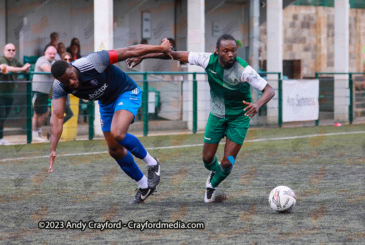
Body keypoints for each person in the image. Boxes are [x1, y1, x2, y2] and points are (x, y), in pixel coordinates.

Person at [127, 34, 275, 203]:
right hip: (217, 116)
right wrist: (141, 56)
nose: (230, 54)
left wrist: (257, 104)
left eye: (233, 50)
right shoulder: (206, 60)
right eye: (226, 51)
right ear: (217, 51)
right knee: (207, 159)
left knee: (227, 162)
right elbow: (172, 54)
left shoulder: (245, 70)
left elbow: (269, 90)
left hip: (239, 118)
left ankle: (211, 185)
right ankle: (214, 170)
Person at [48, 40, 173, 204]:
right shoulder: (59, 86)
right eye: (66, 82)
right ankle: (144, 186)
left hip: (126, 91)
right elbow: (57, 116)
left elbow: (129, 49)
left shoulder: (93, 61)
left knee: (118, 133)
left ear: (70, 65)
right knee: (114, 149)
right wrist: (53, 148)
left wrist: (160, 48)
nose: (71, 83)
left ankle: (152, 163)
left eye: (71, 77)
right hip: (106, 103)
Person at [0, 43, 30, 145]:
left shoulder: (15, 61)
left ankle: (1, 138)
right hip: (0, 94)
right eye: (9, 50)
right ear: (4, 51)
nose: (11, 52)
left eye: (13, 50)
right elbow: (5, 68)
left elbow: (26, 70)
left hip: (9, 94)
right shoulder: (2, 59)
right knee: (1, 115)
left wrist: (26, 67)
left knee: (4, 117)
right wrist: (22, 69)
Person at [31, 46, 57, 142]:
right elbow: (48, 70)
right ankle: (34, 133)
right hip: (38, 90)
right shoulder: (41, 60)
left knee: (45, 113)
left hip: (46, 91)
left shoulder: (53, 62)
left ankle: (37, 131)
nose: (52, 55)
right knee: (37, 113)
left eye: (54, 54)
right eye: (50, 53)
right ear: (45, 53)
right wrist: (59, 70)